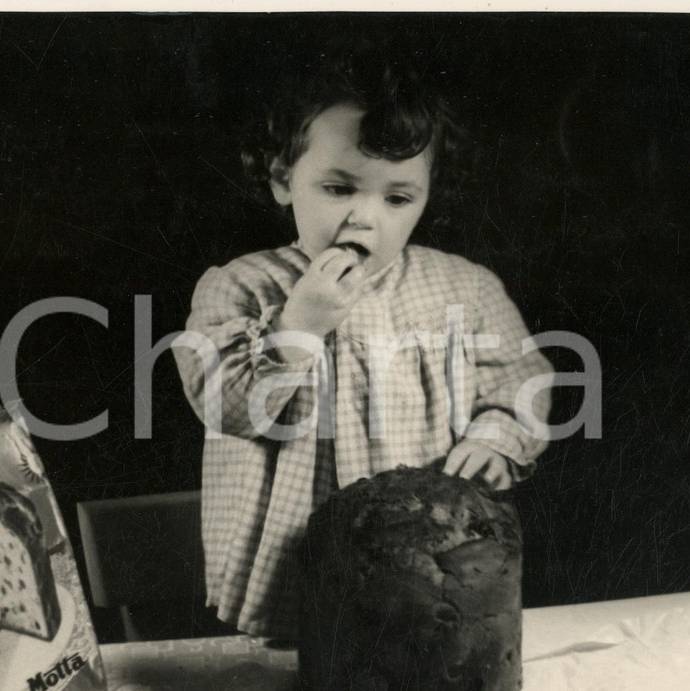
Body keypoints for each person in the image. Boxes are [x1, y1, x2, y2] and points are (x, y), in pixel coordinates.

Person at [174, 41, 553, 639]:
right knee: (314, 671)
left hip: (428, 548)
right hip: (295, 553)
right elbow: (227, 409)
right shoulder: (241, 287)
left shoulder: (465, 286)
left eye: (397, 198)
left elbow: (521, 380)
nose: (365, 218)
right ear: (282, 180)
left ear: (424, 200)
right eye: (339, 189)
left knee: (420, 655)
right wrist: (298, 325)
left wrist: (498, 440)